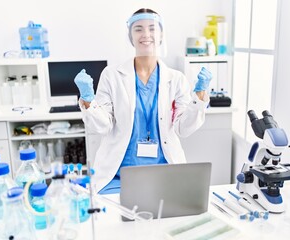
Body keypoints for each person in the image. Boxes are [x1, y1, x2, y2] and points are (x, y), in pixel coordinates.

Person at [74, 8, 212, 194]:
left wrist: (200, 96)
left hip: (165, 174)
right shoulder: (112, 76)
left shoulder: (176, 79)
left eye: (152, 28)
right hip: (118, 176)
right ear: (130, 36)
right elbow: (103, 126)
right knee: (117, 220)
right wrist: (88, 100)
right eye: (138, 29)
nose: (146, 34)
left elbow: (183, 129)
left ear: (161, 34)